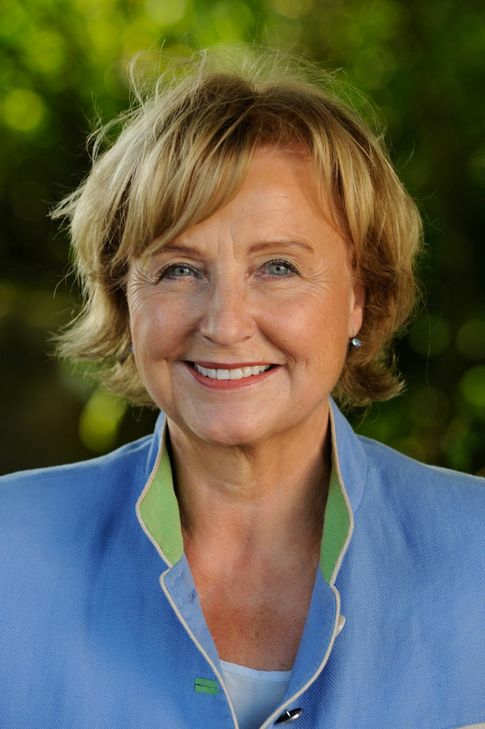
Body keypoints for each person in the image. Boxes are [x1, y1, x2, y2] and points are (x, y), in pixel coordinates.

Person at [0, 48, 484, 729]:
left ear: (358, 297)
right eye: (178, 270)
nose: (225, 324)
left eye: (277, 266)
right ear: (123, 296)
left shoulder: (476, 553)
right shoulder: (9, 550)